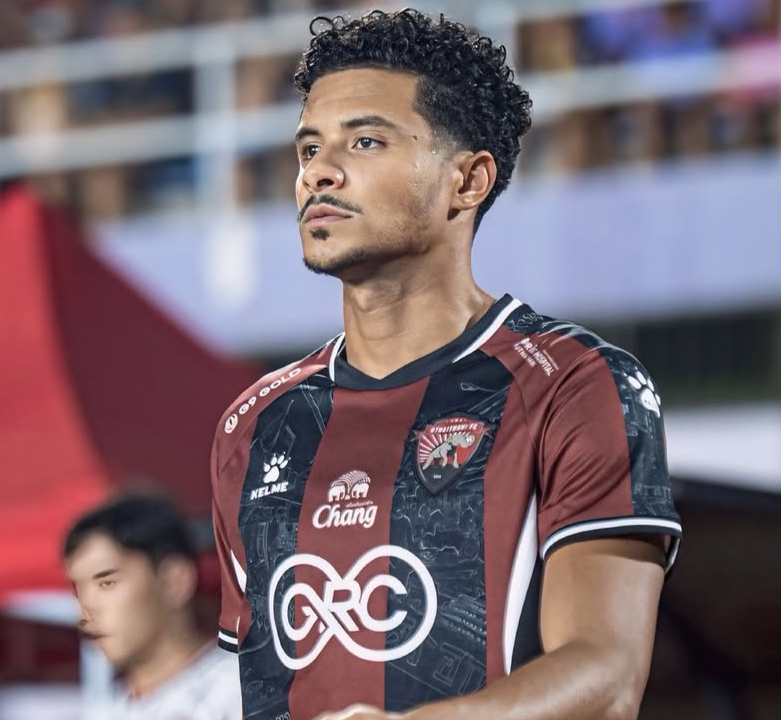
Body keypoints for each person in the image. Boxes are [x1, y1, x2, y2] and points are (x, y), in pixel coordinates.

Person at [210, 9, 682, 720]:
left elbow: (606, 675)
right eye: (308, 149)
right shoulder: (253, 425)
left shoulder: (575, 383)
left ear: (468, 181)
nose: (318, 174)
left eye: (365, 141)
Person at [64, 493, 242, 719]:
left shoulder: (246, 694)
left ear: (174, 581)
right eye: (78, 592)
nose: (86, 610)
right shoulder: (106, 714)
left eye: (107, 583)